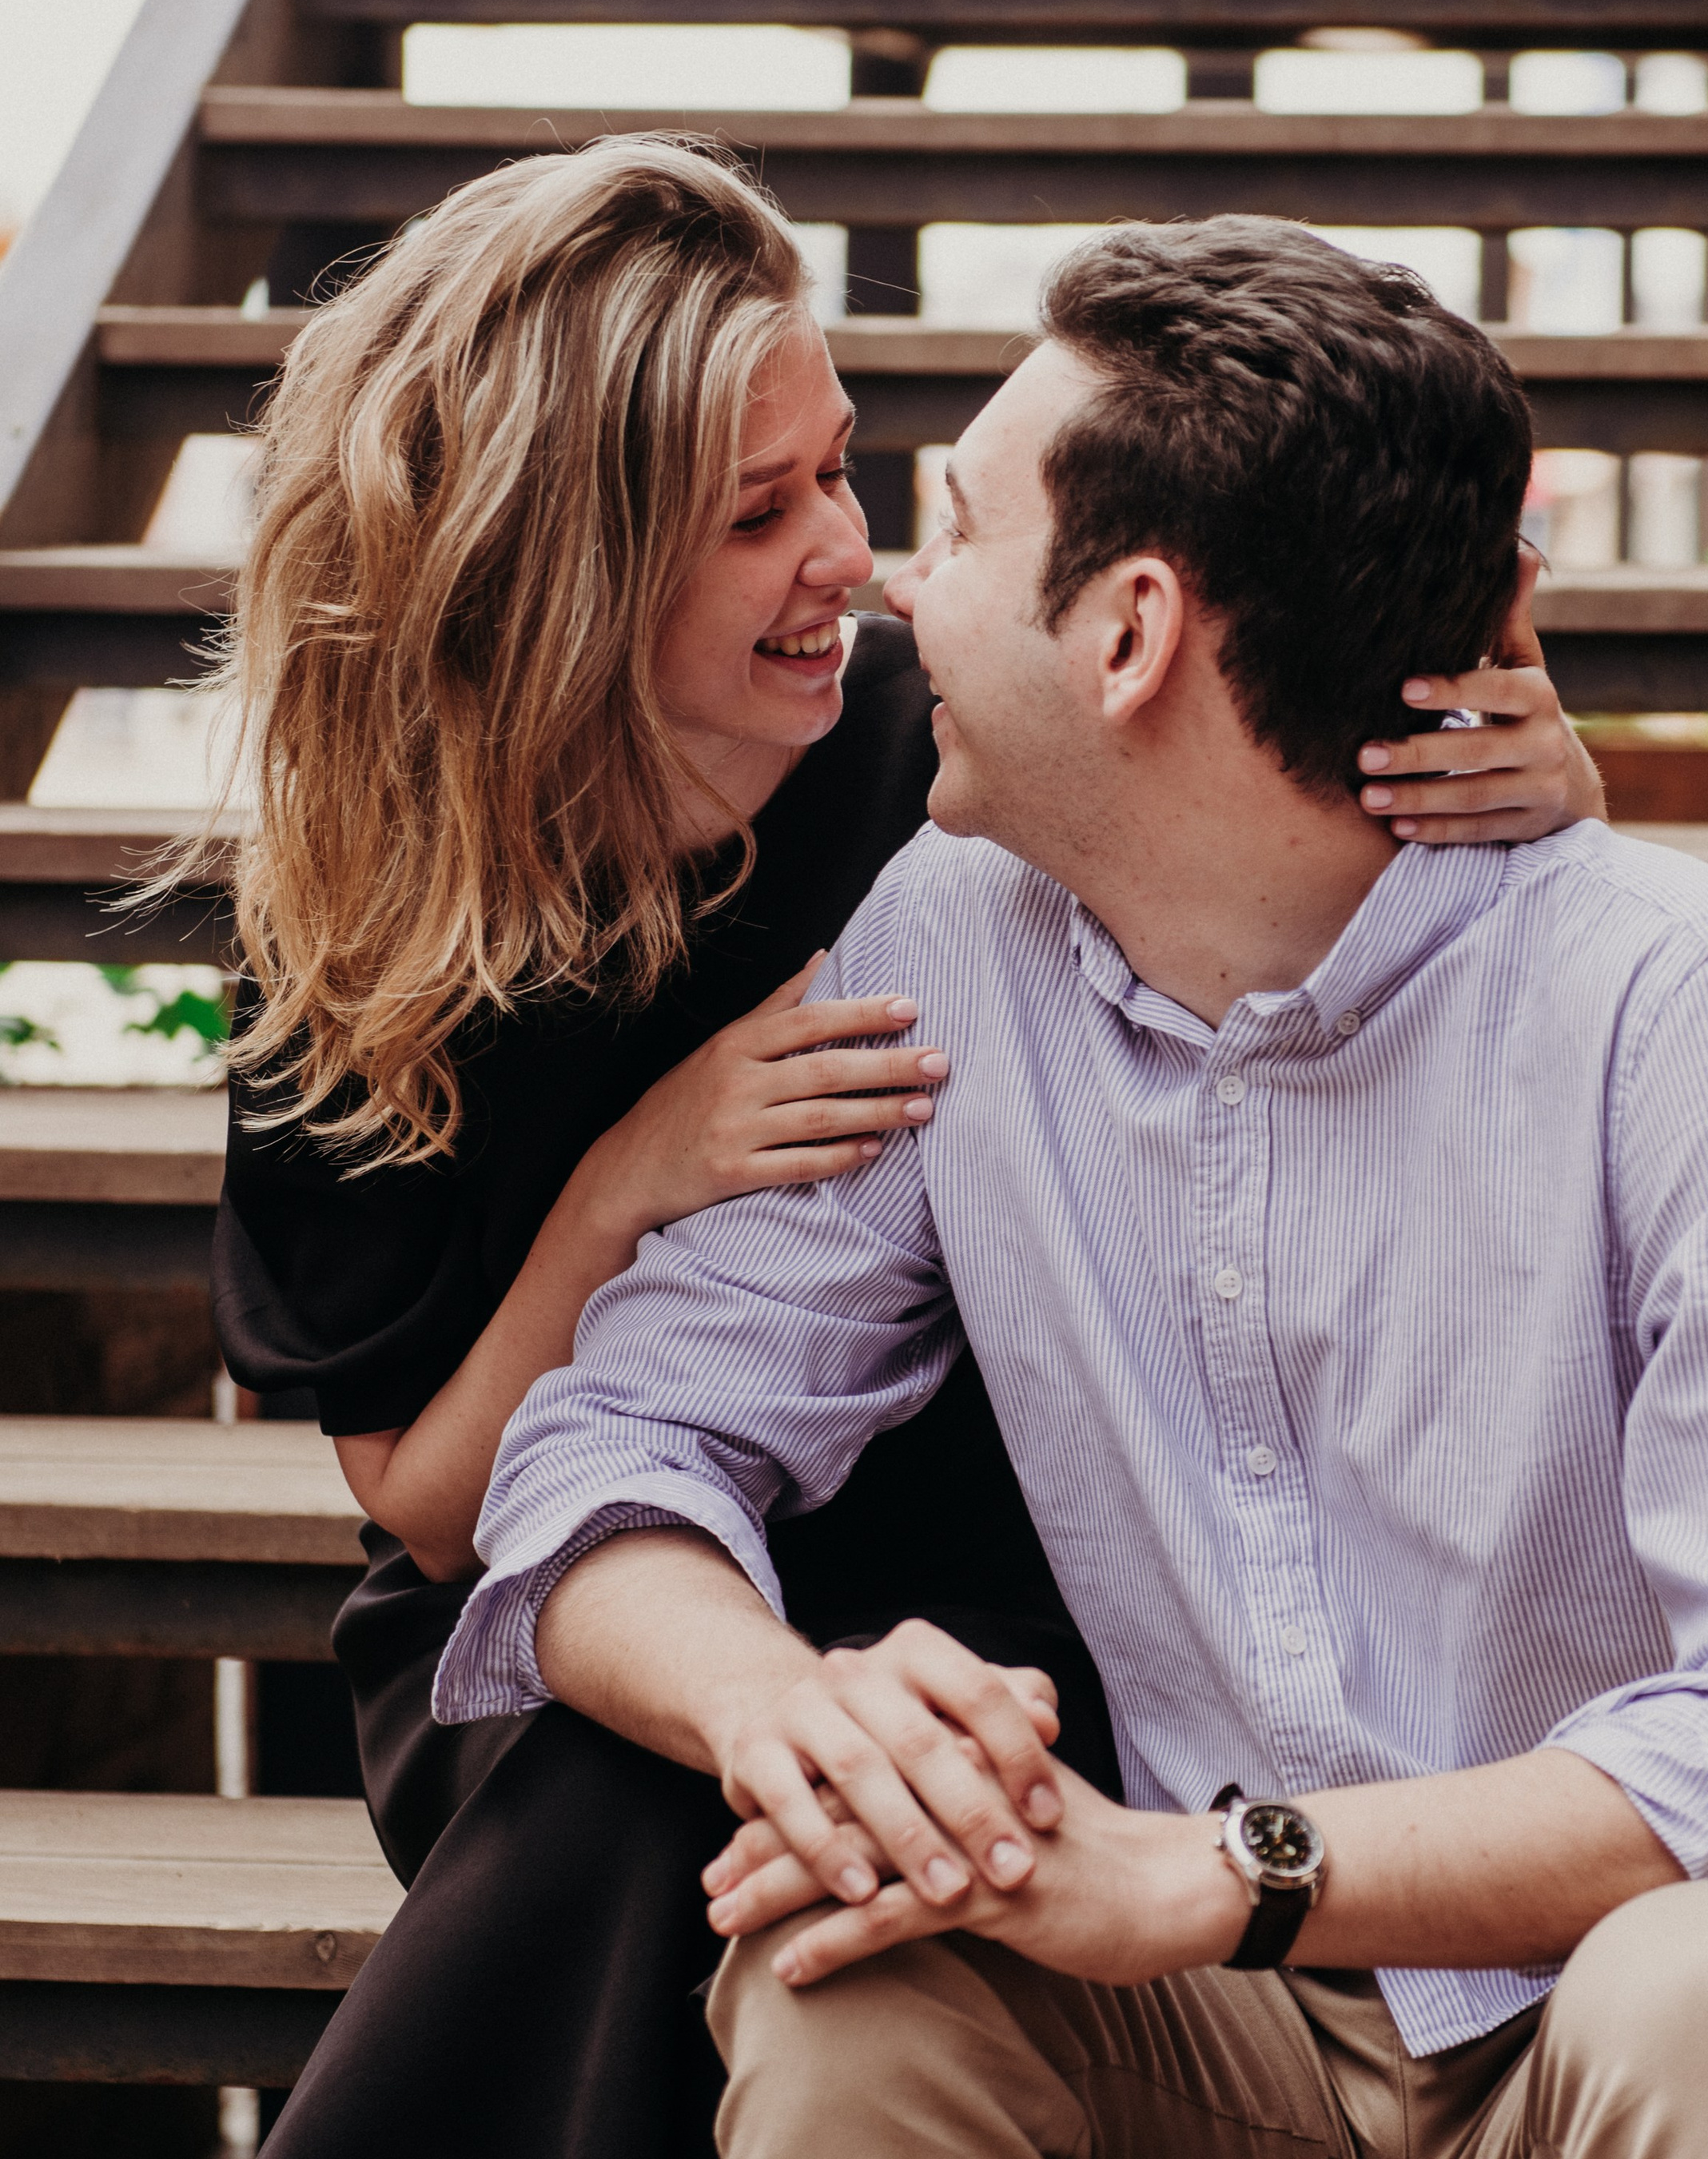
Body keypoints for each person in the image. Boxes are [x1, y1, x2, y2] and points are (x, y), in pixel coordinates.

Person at [442, 213, 1708, 2159]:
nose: (894, 597)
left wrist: (1226, 1870)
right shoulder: (953, 933)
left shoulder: (1672, 1001)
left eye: (957, 530)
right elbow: (613, 1439)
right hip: (1235, 2044)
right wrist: (787, 1709)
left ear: (1126, 634)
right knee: (846, 1962)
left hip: (1621, 2004)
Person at [207, 144, 1600, 2159]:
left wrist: (1535, 773)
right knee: (687, 1803)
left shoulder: (937, 749)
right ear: (566, 574)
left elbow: (1274, 809)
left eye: (843, 474)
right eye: (755, 515)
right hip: (560, 1571)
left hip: (996, 1522)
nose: (850, 561)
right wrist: (633, 1179)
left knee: (967, 1762)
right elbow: (433, 1511)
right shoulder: (357, 918)